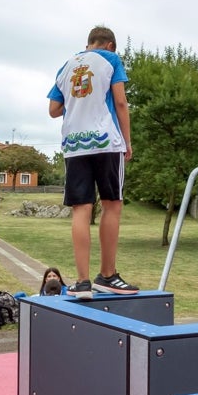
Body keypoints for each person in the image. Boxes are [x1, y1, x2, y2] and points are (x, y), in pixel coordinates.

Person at [47, 25, 139, 299]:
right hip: (106, 141)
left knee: (81, 209)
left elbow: (53, 110)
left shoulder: (67, 66)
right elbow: (120, 102)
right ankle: (108, 275)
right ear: (110, 45)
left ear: (88, 43)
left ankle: (82, 282)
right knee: (112, 204)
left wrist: (77, 102)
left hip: (74, 145)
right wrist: (128, 141)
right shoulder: (111, 59)